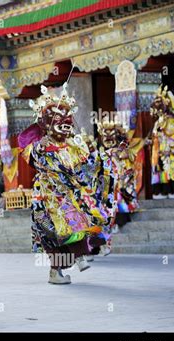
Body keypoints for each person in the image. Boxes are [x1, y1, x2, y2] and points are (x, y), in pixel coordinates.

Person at [18, 83, 109, 284]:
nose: (66, 122)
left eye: (67, 119)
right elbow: (33, 159)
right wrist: (39, 148)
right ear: (46, 123)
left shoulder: (73, 145)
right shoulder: (39, 146)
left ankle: (77, 258)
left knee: (79, 220)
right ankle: (66, 264)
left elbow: (86, 167)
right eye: (59, 119)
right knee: (54, 233)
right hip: (48, 197)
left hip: (70, 194)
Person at [149, 85, 174, 199]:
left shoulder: (171, 120)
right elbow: (154, 134)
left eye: (159, 102)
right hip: (159, 150)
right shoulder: (158, 121)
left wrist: (167, 143)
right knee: (160, 171)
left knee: (170, 171)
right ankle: (160, 191)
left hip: (169, 150)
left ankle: (173, 190)